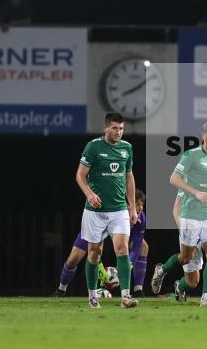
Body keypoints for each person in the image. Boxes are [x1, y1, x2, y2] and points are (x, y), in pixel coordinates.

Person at [76, 112, 138, 309]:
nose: (118, 132)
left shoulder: (127, 148)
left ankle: (126, 297)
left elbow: (129, 177)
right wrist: (89, 194)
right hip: (95, 211)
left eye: (121, 129)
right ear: (105, 128)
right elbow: (80, 175)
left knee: (122, 249)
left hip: (119, 209)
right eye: (114, 128)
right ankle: (93, 296)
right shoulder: (93, 146)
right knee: (94, 252)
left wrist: (133, 207)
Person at [168, 121, 207, 307]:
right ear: (204, 137)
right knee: (187, 265)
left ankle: (206, 298)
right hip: (190, 217)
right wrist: (196, 193)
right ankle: (163, 272)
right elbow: (173, 179)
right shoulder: (191, 155)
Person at [53, 190, 147, 297]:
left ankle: (137, 291)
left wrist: (126, 267)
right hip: (96, 228)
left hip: (118, 235)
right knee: (73, 259)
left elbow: (137, 244)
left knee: (144, 247)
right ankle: (61, 290)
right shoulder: (111, 211)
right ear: (126, 203)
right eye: (137, 204)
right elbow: (95, 248)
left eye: (142, 204)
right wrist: (101, 271)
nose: (141, 208)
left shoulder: (141, 218)